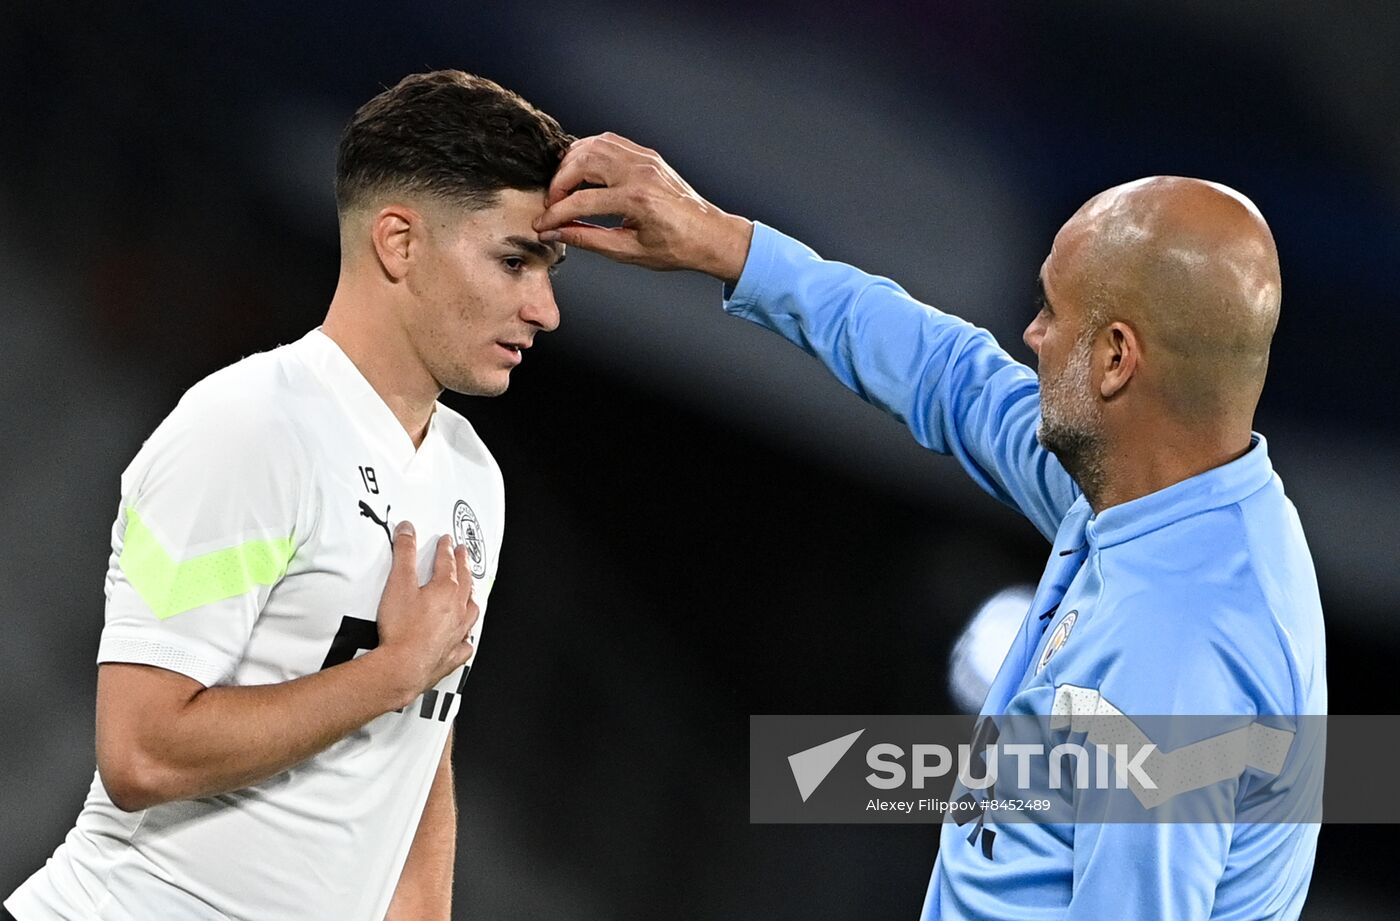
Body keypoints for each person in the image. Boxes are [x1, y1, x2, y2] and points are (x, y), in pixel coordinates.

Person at [531, 134, 1326, 920]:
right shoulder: (1161, 492)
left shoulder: (1175, 658)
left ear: (1117, 360)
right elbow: (950, 377)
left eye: (1052, 310)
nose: (1032, 336)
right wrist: (721, 242)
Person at [4, 71, 570, 921]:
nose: (546, 309)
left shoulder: (469, 476)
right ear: (400, 243)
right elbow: (140, 752)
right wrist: (389, 671)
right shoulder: (249, 429)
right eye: (516, 260)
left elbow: (417, 753)